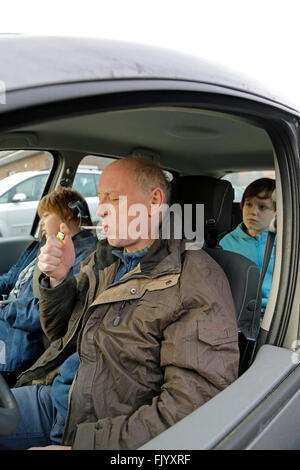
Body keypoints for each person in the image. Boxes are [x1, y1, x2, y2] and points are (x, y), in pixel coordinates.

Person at [0, 157, 239, 450]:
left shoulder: (197, 282)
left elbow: (191, 406)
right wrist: (59, 281)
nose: (99, 210)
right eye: (100, 198)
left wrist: (85, 446)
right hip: (55, 399)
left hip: (100, 430)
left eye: (112, 199)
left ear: (153, 201)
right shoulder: (105, 258)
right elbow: (59, 330)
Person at [0, 186, 97, 386]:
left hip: (19, 336)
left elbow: (49, 311)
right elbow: (10, 279)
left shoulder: (85, 257)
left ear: (69, 214)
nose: (41, 223)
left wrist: (4, 309)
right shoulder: (40, 245)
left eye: (45, 215)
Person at [220, 177, 276, 312]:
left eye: (262, 207)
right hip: (239, 312)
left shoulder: (285, 244)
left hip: (276, 313)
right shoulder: (226, 243)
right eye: (248, 204)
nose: (253, 212)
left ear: (276, 212)